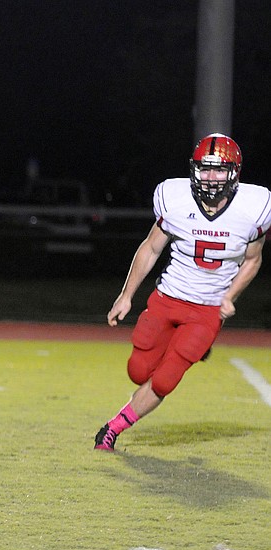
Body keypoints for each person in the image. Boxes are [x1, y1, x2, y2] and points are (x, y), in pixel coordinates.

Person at [94, 133, 271, 451]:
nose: (211, 178)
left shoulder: (254, 206)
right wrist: (126, 295)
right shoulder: (174, 197)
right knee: (138, 372)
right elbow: (150, 249)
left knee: (164, 380)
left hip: (207, 309)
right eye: (205, 169)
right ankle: (187, 348)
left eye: (219, 170)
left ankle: (113, 428)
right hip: (167, 298)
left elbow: (253, 260)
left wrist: (230, 296)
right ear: (194, 170)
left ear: (235, 173)